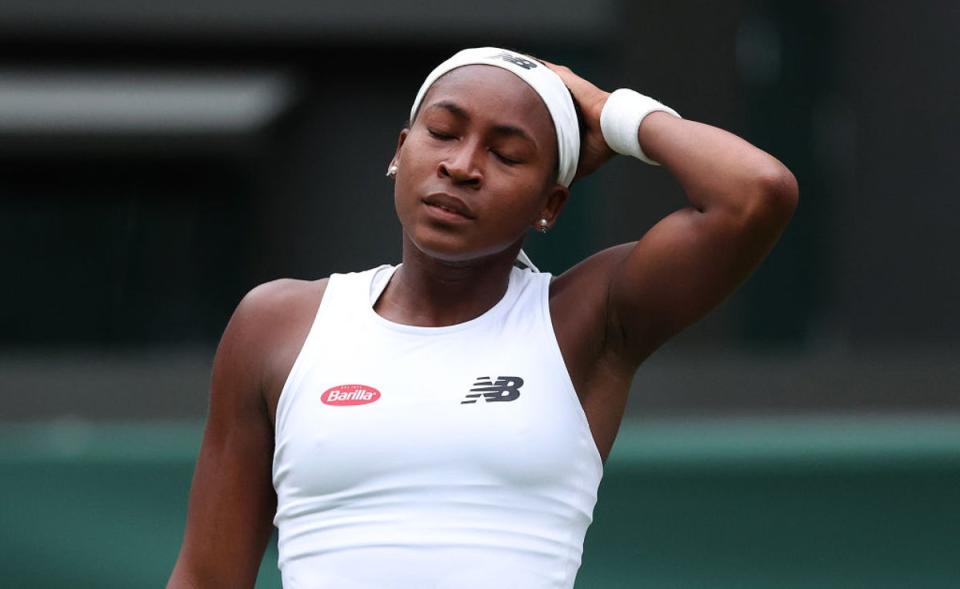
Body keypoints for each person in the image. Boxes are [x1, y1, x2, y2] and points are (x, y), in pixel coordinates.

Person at [167, 47, 798, 588]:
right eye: (443, 131)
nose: (462, 166)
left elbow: (754, 192)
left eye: (506, 154)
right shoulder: (275, 324)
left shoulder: (584, 321)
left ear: (550, 204)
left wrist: (611, 110)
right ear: (401, 150)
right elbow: (205, 577)